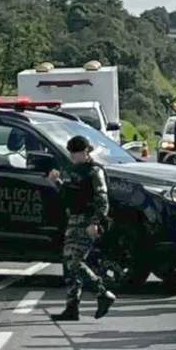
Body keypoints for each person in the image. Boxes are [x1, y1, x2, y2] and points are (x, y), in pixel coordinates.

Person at [46, 135, 117, 321]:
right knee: (68, 263)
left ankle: (103, 293)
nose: (72, 157)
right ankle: (72, 306)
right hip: (74, 218)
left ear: (85, 151)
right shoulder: (76, 170)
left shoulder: (95, 172)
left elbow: (103, 200)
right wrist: (57, 182)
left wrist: (95, 222)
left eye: (75, 153)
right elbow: (70, 195)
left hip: (87, 221)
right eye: (71, 153)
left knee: (75, 261)